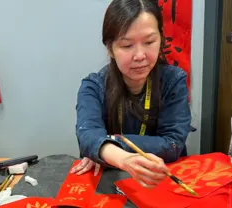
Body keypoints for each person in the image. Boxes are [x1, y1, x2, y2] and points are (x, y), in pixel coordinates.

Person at [71, 0, 191, 188]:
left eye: (149, 42)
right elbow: (88, 136)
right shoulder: (93, 86)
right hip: (112, 181)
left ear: (161, 38)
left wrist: (111, 144)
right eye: (127, 46)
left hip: (163, 180)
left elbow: (172, 144)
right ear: (110, 49)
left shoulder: (173, 81)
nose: (140, 55)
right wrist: (123, 158)